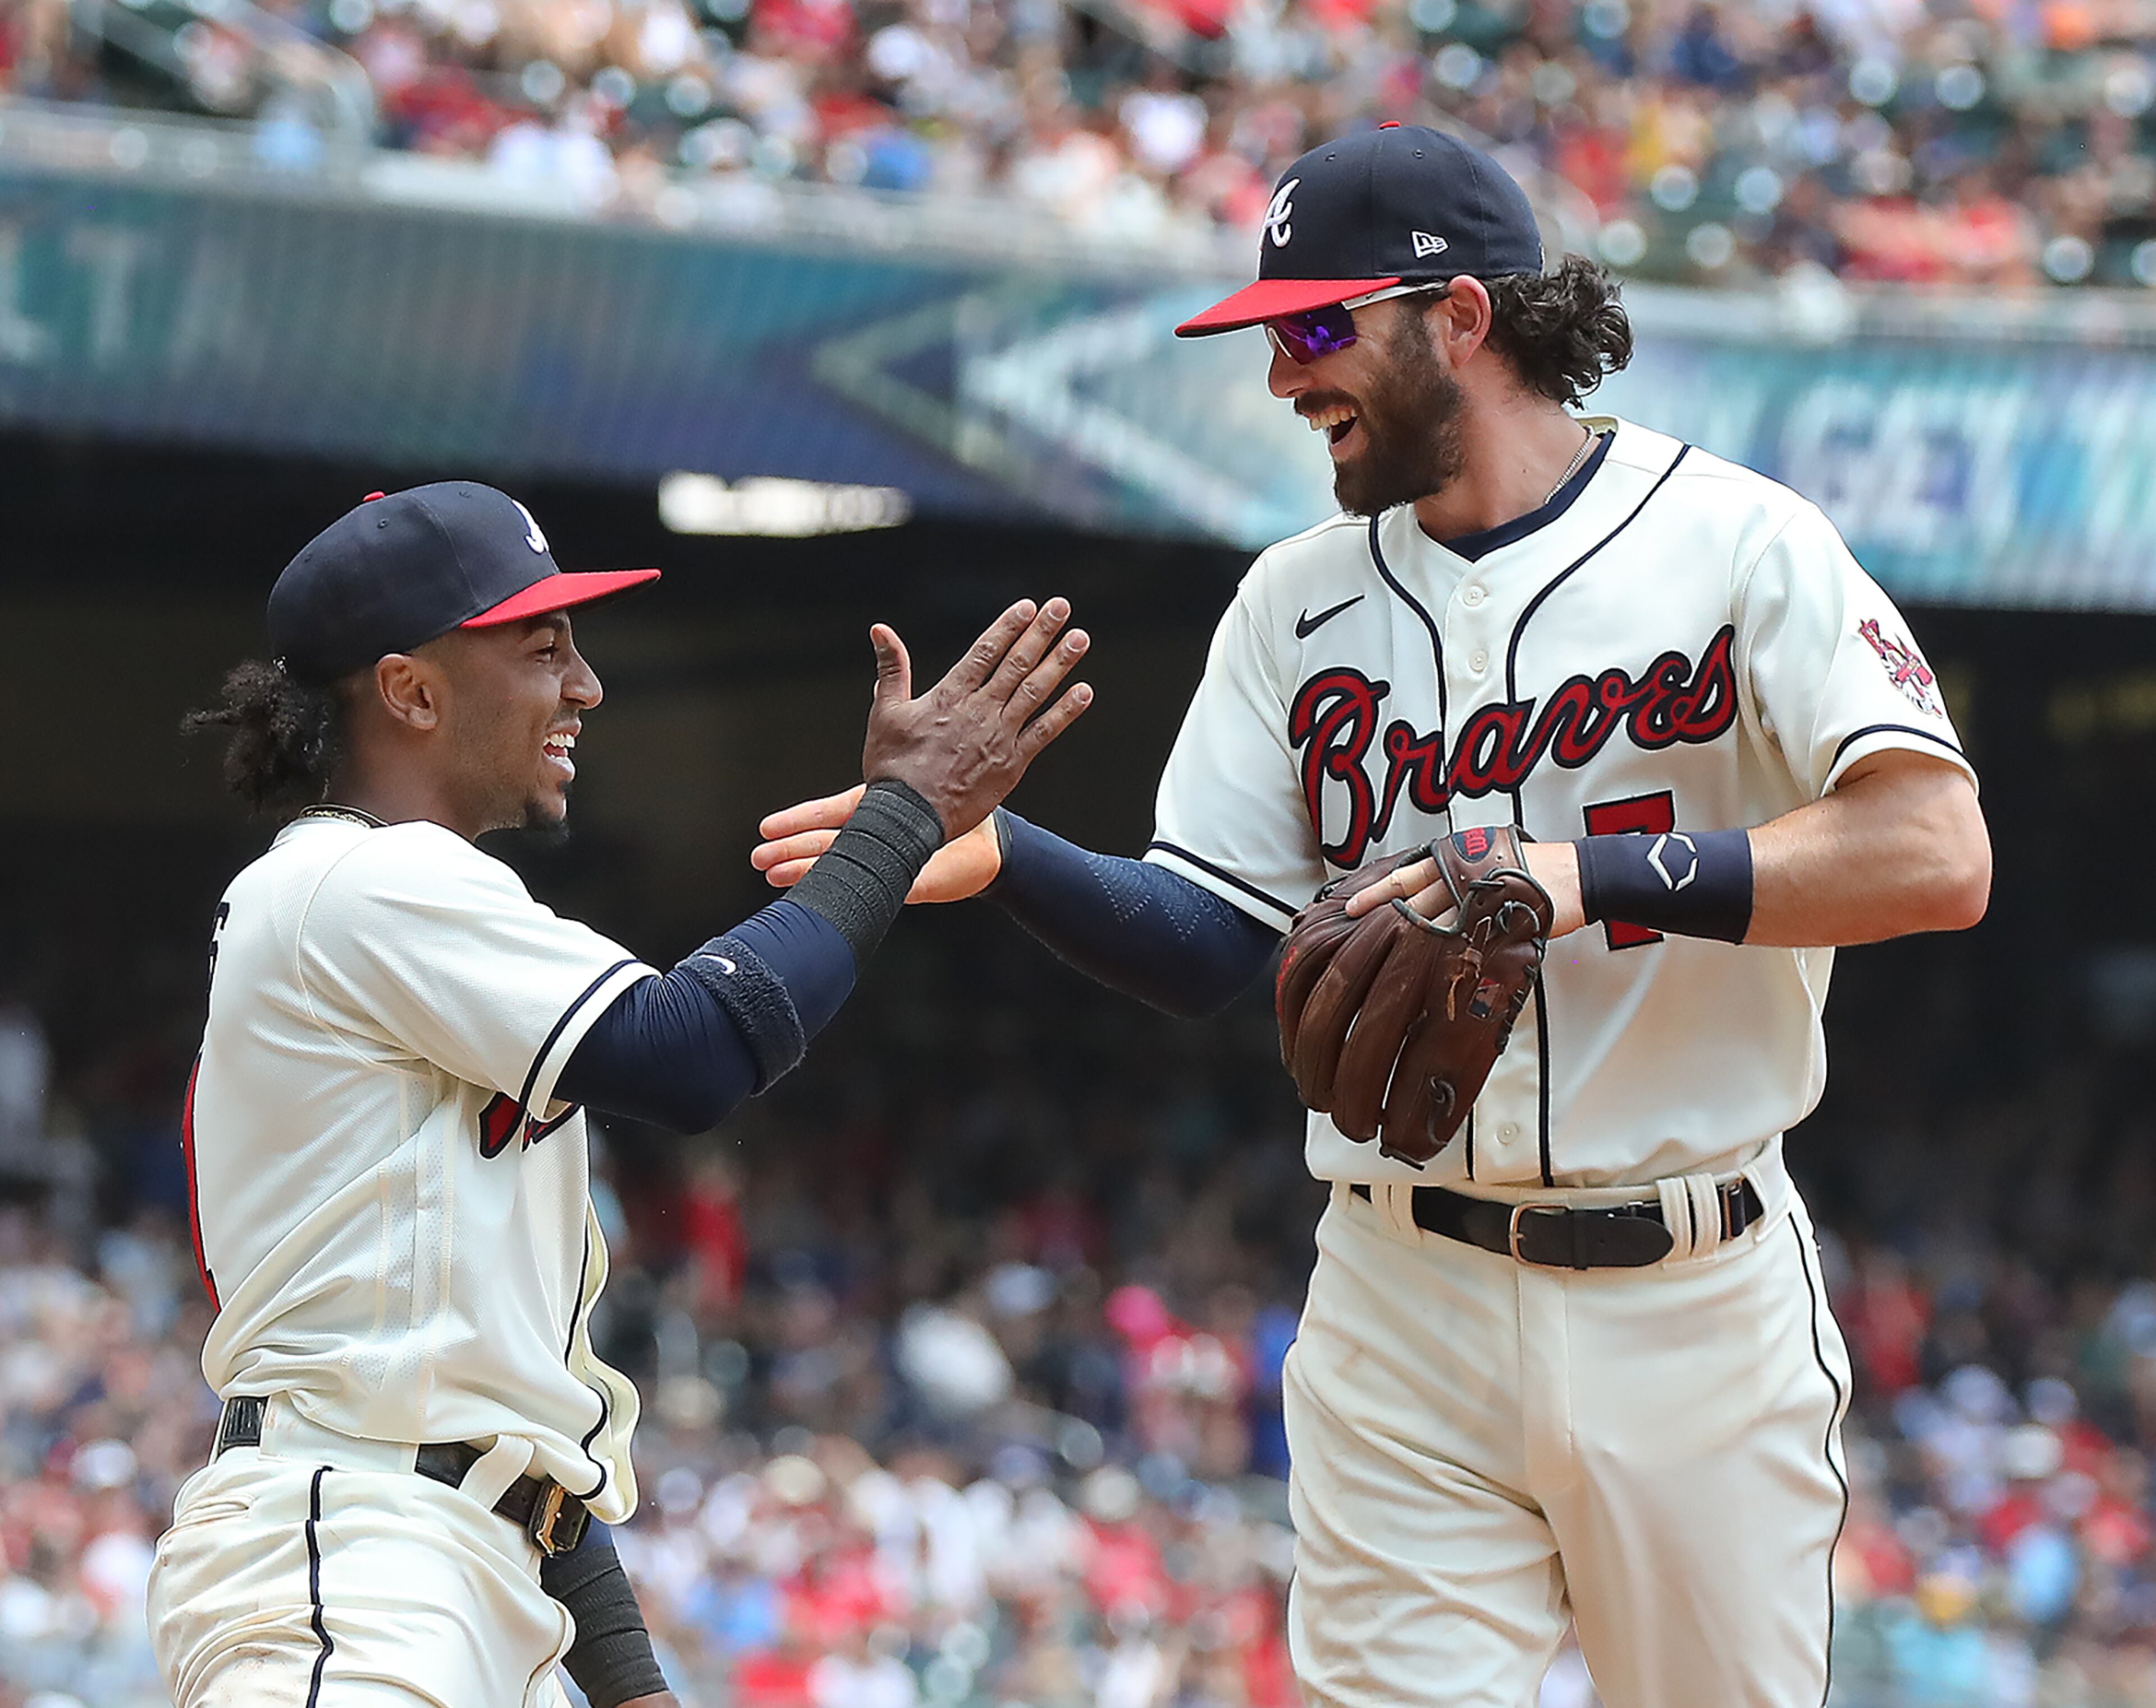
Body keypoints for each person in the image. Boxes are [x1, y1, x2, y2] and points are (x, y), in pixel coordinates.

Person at [750, 126, 1992, 1708]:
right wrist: (1006, 859)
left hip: (1695, 1287)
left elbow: (1934, 852)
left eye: (1319, 326)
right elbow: (1205, 932)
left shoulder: (1740, 542)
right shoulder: (1294, 600)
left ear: (1462, 319)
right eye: (1275, 332)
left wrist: (1583, 876)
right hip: (1405, 1293)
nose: (1283, 372)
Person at [150, 480, 1091, 1708]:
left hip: (461, 1569)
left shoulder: (410, 918)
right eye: (543, 651)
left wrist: (635, 1687)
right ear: (411, 691)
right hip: (354, 1559)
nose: (586, 686)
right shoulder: (353, 883)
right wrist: (901, 819)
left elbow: (508, 1429)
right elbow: (696, 1050)